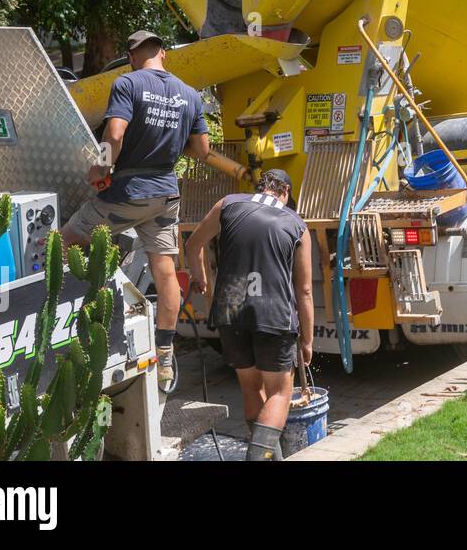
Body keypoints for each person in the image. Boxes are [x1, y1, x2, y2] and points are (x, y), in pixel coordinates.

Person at [60, 30, 212, 393]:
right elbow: (203, 150)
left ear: (131, 56)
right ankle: (165, 352)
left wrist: (101, 168)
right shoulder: (190, 96)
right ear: (163, 53)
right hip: (165, 194)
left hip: (127, 192)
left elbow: (114, 134)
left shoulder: (127, 84)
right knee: (165, 273)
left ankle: (84, 321)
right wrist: (169, 142)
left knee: (63, 241)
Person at [185, 169, 313, 462]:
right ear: (286, 193)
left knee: (251, 386)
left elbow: (193, 245)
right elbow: (304, 290)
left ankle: (269, 458)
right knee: (280, 393)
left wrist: (201, 278)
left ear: (260, 187)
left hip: (230, 308)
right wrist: (307, 339)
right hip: (274, 313)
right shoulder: (296, 224)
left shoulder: (228, 203)